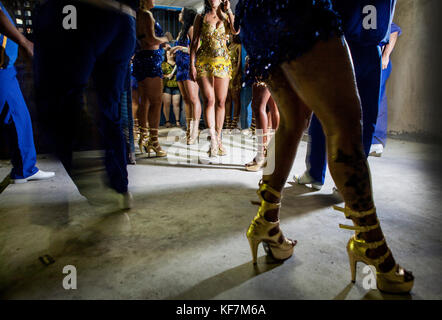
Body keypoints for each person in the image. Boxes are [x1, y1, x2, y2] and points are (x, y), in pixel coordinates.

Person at [236, 0, 413, 293]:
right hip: (299, 10)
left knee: (291, 121)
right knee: (344, 123)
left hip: (256, 15)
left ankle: (265, 220)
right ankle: (371, 245)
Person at [33, 0, 137, 208]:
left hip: (75, 11)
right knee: (110, 111)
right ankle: (120, 188)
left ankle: (89, 180)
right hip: (124, 20)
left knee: (56, 102)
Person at [295, 1, 399, 190]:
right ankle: (352, 179)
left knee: (324, 112)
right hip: (371, 49)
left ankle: (316, 172)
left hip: (344, 46)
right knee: (366, 118)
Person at [0, 1, 55, 184]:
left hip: (6, 69)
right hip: (2, 69)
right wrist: (24, 43)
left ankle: (25, 168)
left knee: (17, 116)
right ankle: (24, 168)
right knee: (16, 115)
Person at [190, 0, 238, 157]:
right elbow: (195, 41)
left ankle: (218, 139)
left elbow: (235, 31)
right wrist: (192, 65)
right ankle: (213, 141)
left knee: (221, 101)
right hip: (204, 62)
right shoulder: (200, 17)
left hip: (223, 62)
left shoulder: (226, 16)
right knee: (209, 100)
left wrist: (229, 11)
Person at [133, 0, 173, 157]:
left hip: (141, 59)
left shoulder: (137, 15)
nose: (154, 1)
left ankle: (143, 136)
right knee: (156, 102)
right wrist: (166, 39)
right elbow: (150, 40)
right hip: (151, 61)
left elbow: (144, 39)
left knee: (145, 101)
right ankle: (154, 142)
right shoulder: (147, 15)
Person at [370, 22, 402, 157]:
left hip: (378, 61)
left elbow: (393, 31)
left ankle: (376, 141)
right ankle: (372, 140)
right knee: (373, 98)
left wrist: (385, 56)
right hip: (367, 61)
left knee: (375, 99)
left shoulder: (374, 11)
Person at [170, 7, 200, 145]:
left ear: (186, 15)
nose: (179, 14)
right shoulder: (182, 30)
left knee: (194, 100)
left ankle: (195, 131)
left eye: (181, 12)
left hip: (189, 66)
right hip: (181, 68)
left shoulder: (192, 28)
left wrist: (179, 48)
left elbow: (197, 48)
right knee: (186, 100)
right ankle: (189, 130)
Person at [245, 81, 279, 172]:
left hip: (265, 69)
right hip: (275, 68)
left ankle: (261, 155)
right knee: (272, 105)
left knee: (258, 105)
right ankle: (275, 151)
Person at [225, 33, 242, 133]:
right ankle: (227, 122)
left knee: (235, 98)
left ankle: (234, 123)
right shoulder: (228, 46)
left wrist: (236, 75)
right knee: (227, 99)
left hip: (235, 74)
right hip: (226, 74)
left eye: (231, 34)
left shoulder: (238, 46)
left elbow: (239, 62)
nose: (229, 36)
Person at [161, 49, 181, 128]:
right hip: (167, 86)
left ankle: (177, 121)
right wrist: (166, 76)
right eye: (168, 54)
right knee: (167, 104)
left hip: (176, 86)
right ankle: (167, 121)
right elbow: (160, 75)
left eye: (172, 53)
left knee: (176, 104)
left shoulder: (178, 64)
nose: (170, 55)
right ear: (166, 55)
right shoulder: (163, 64)